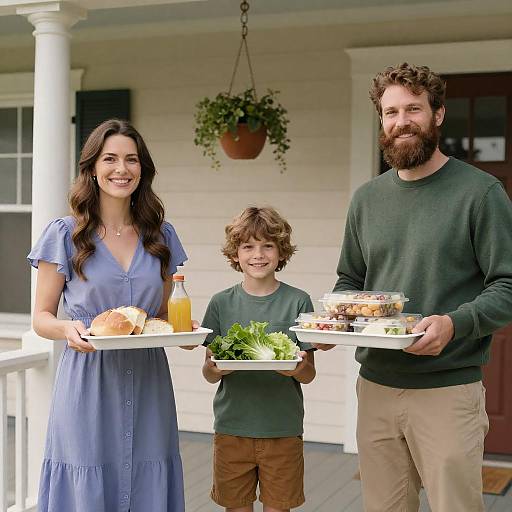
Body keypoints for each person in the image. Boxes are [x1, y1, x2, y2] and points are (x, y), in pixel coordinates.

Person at [316, 62, 512, 512]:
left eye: (413, 110)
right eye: (390, 113)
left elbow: (507, 284)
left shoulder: (480, 194)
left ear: (437, 114)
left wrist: (456, 324)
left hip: (448, 389)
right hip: (377, 387)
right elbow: (350, 280)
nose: (401, 122)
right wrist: (335, 321)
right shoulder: (367, 199)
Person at [28, 119, 188, 512]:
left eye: (131, 160)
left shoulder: (161, 236)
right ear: (92, 168)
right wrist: (67, 327)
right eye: (110, 158)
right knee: (88, 478)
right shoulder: (65, 234)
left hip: (149, 382)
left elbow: (165, 314)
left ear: (142, 169)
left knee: (148, 475)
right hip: (88, 381)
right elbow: (41, 317)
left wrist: (187, 332)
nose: (122, 169)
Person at [201, 206, 316, 512]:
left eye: (268, 245)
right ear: (235, 254)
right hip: (232, 428)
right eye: (248, 246)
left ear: (281, 251)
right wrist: (215, 369)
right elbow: (210, 372)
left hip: (282, 429)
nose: (258, 254)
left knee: (279, 507)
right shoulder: (221, 303)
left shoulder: (298, 301)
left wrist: (296, 369)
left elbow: (308, 374)